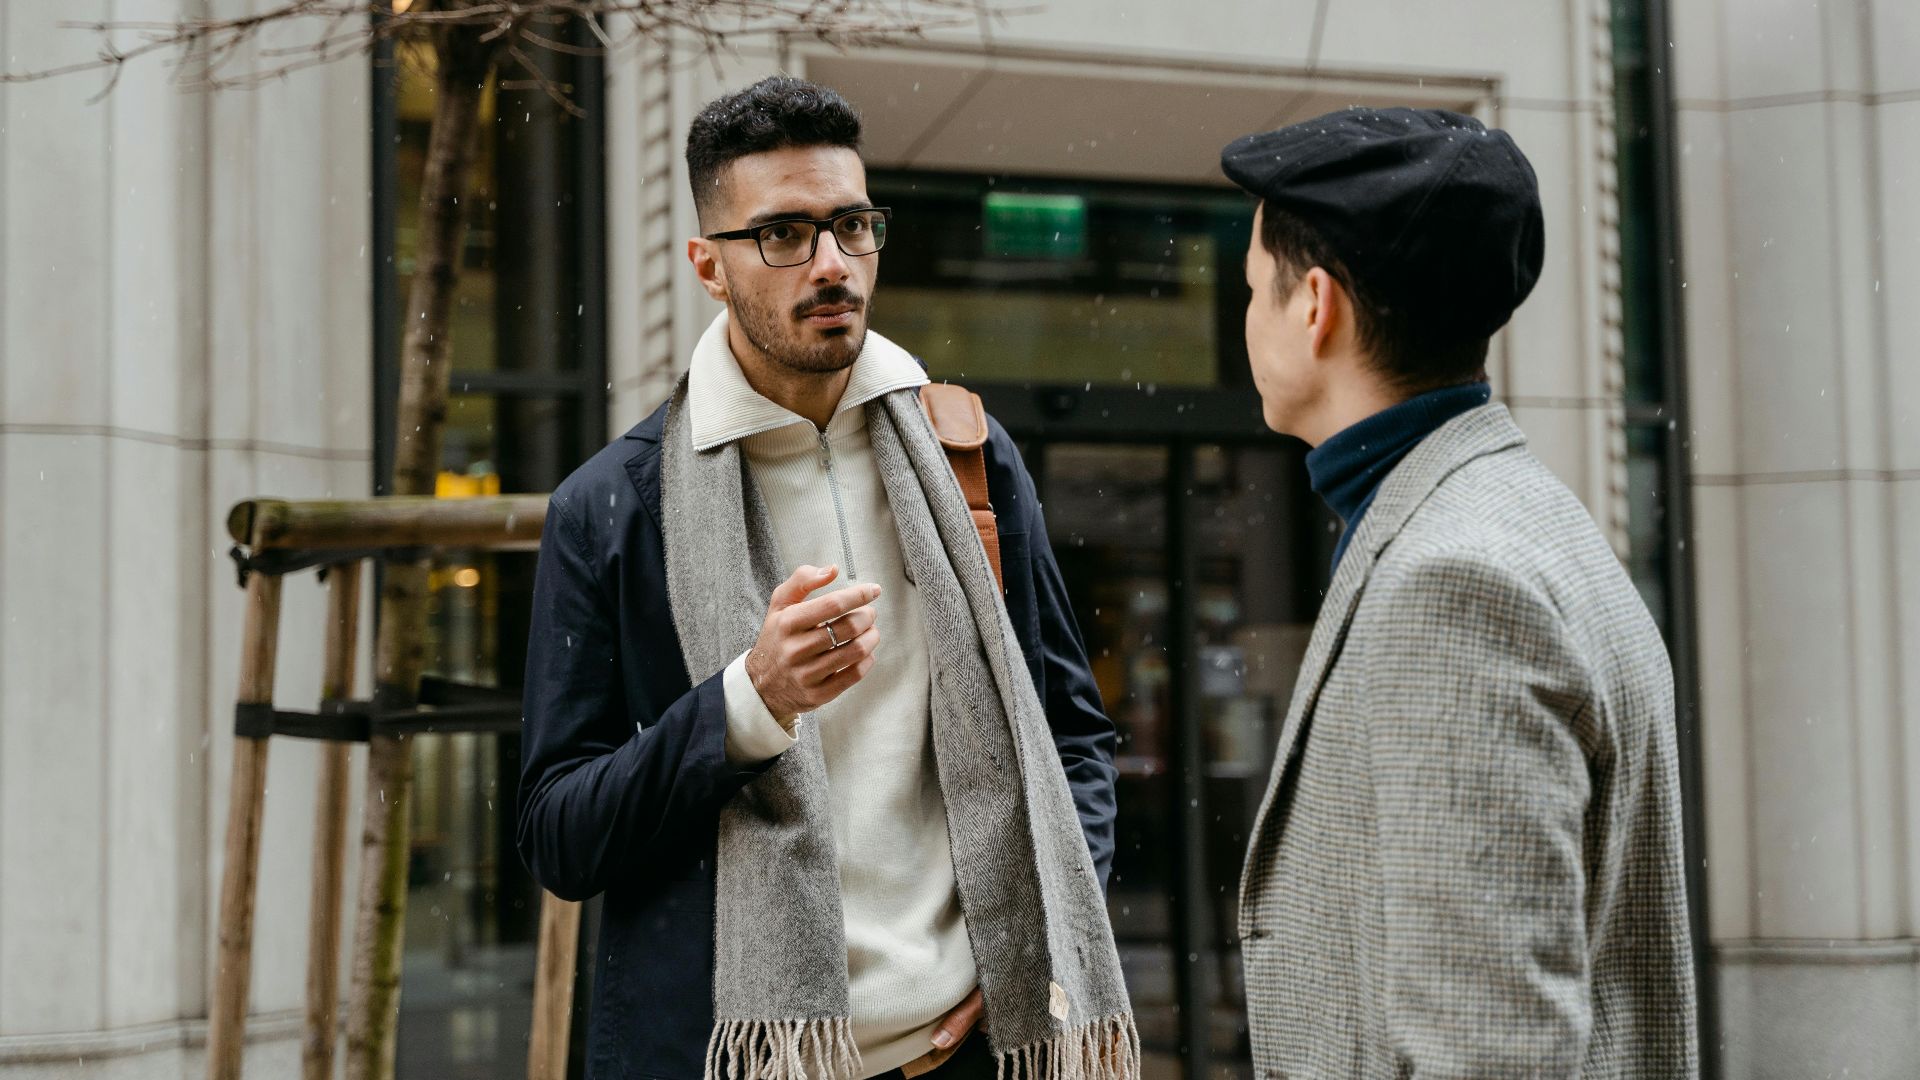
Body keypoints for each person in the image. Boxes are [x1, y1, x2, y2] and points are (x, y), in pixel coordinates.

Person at [516, 77, 1138, 1080]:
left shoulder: (965, 456)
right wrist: (746, 705)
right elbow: (559, 834)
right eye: (784, 236)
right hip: (727, 1059)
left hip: (962, 1054)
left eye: (853, 225)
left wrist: (1038, 938)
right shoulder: (612, 507)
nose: (833, 265)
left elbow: (1073, 741)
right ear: (707, 266)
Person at [1224, 108, 1698, 1078]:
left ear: (1315, 307)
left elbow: (1492, 1047)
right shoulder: (1516, 516)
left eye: (1250, 292)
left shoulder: (1455, 579)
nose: (1245, 320)